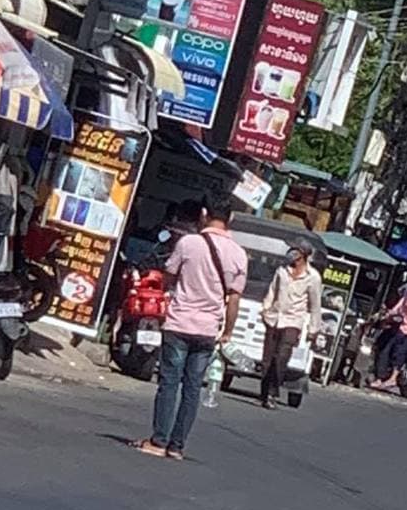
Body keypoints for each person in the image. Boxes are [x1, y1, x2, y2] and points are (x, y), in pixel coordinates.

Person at [131, 196, 246, 459]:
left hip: (179, 323)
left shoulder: (188, 243)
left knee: (169, 383)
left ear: (204, 214)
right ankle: (177, 446)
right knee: (193, 388)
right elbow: (234, 299)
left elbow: (168, 277)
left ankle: (159, 441)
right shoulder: (239, 254)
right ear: (231, 219)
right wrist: (227, 332)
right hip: (208, 330)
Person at [259, 239, 321, 409]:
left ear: (303, 255)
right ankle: (264, 393)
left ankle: (272, 392)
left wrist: (313, 329)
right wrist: (265, 310)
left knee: (282, 356)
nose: (291, 253)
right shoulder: (282, 270)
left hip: (293, 320)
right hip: (274, 318)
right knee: (267, 359)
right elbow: (272, 291)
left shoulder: (313, 277)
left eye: (296, 250)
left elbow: (315, 305)